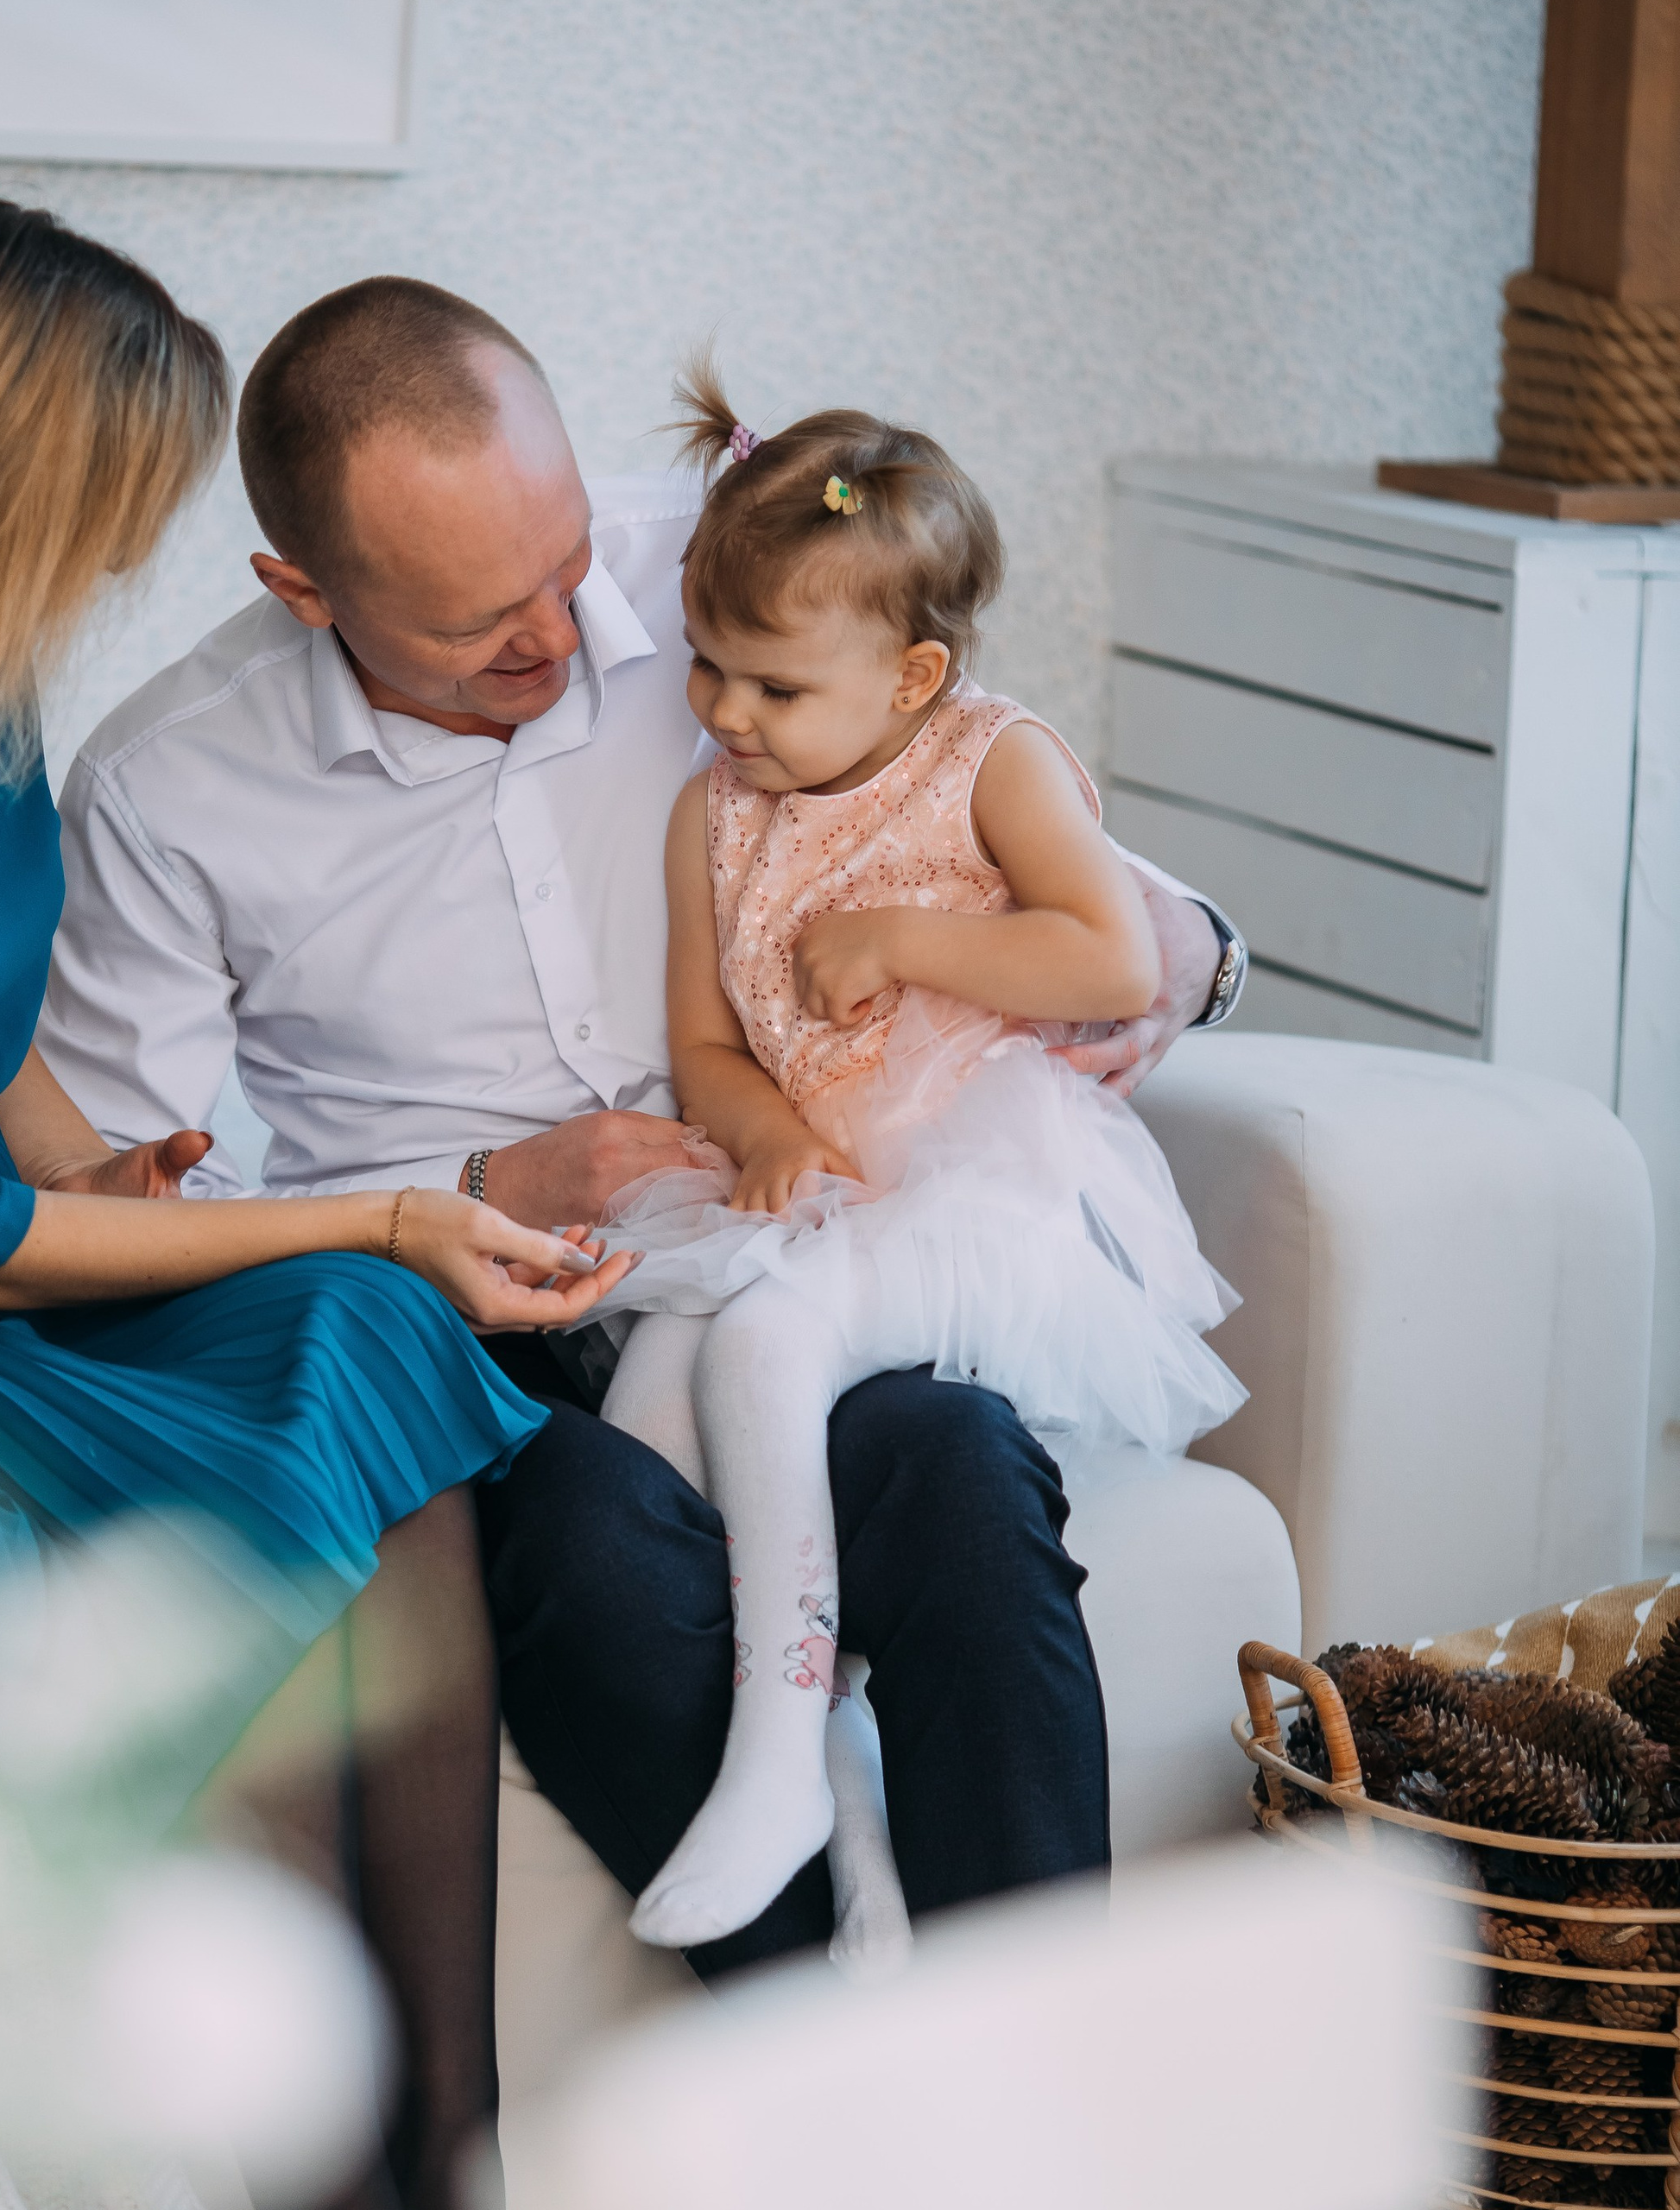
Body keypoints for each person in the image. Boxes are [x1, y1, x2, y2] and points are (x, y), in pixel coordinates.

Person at [39, 276, 1250, 1985]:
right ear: (300, 589)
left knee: (965, 1482)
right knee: (603, 1574)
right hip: (474, 1330)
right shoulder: (170, 784)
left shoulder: (730, 573)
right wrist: (459, 1193)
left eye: (562, 566)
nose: (562, 634)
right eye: (480, 622)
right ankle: (825, 2071)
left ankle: (1027, 2074)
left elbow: (983, 800)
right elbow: (130, 1207)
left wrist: (1173, 963)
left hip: (785, 1242)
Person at [0, 199, 631, 2210]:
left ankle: (442, 2123)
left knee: (377, 1334)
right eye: (97, 518)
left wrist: (104, 1157)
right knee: (350, 1312)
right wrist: (369, 1209)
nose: (109, 566)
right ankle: (311, 2147)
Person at [579, 366, 1247, 1963]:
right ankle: (840, 1795)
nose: (728, 717)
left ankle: (764, 1764)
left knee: (762, 1342)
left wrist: (903, 935)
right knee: (645, 1432)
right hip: (826, 1189)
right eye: (708, 670)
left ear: (913, 674)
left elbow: (1107, 960)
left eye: (774, 689)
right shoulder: (714, 815)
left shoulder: (994, 765)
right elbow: (707, 1046)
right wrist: (764, 1132)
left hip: (984, 1189)